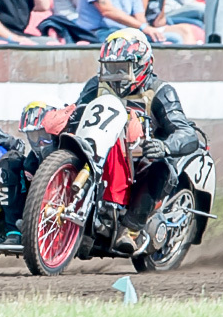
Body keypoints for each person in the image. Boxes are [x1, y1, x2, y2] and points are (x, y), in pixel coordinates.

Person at [74, 28, 199, 254]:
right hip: (102, 152)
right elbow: (77, 114)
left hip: (143, 159)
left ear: (142, 65)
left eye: (123, 68)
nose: (116, 75)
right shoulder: (96, 86)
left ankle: (131, 229)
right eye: (111, 68)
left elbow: (188, 133)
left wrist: (164, 146)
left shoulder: (160, 91)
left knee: (161, 169)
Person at [0, 101, 61, 246]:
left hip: (65, 217)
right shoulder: (30, 163)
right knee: (10, 161)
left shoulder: (70, 155)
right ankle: (12, 231)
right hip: (29, 217)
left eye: (43, 135)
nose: (40, 142)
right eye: (34, 136)